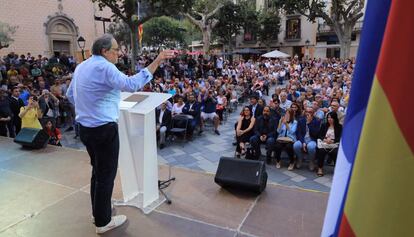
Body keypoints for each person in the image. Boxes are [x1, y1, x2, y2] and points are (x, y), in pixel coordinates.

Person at [66, 34, 175, 234]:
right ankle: (103, 222)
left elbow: (70, 95)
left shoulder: (82, 66)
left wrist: (88, 109)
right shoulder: (105, 67)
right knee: (106, 176)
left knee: (97, 172)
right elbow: (132, 84)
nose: (119, 53)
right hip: (103, 129)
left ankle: (98, 212)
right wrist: (158, 60)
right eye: (116, 49)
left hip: (85, 128)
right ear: (105, 51)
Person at [316, 112, 342, 176]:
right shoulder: (324, 125)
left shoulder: (339, 126)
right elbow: (319, 135)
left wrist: (332, 141)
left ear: (335, 118)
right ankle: (320, 168)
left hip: (334, 144)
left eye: (331, 118)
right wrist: (324, 139)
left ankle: (337, 169)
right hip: (324, 143)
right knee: (321, 151)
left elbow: (340, 137)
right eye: (328, 117)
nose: (329, 119)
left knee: (335, 152)